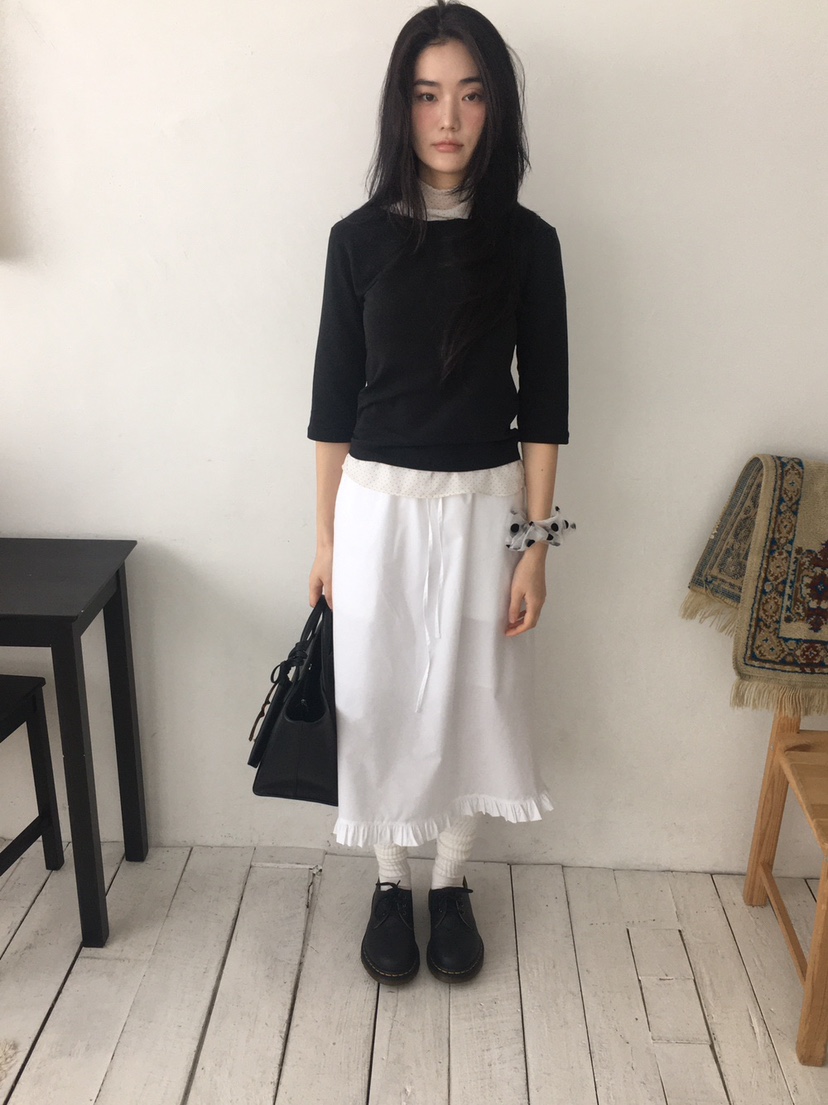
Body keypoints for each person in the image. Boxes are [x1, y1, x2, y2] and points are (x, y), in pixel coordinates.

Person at [307, 0, 568, 986]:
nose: (447, 118)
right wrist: (326, 540)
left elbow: (546, 409)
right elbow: (331, 407)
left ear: (496, 108)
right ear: (401, 109)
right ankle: (389, 880)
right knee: (377, 697)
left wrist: (538, 543)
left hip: (488, 506)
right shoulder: (356, 241)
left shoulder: (528, 243)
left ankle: (450, 882)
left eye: (469, 94)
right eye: (426, 96)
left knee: (473, 696)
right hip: (376, 507)